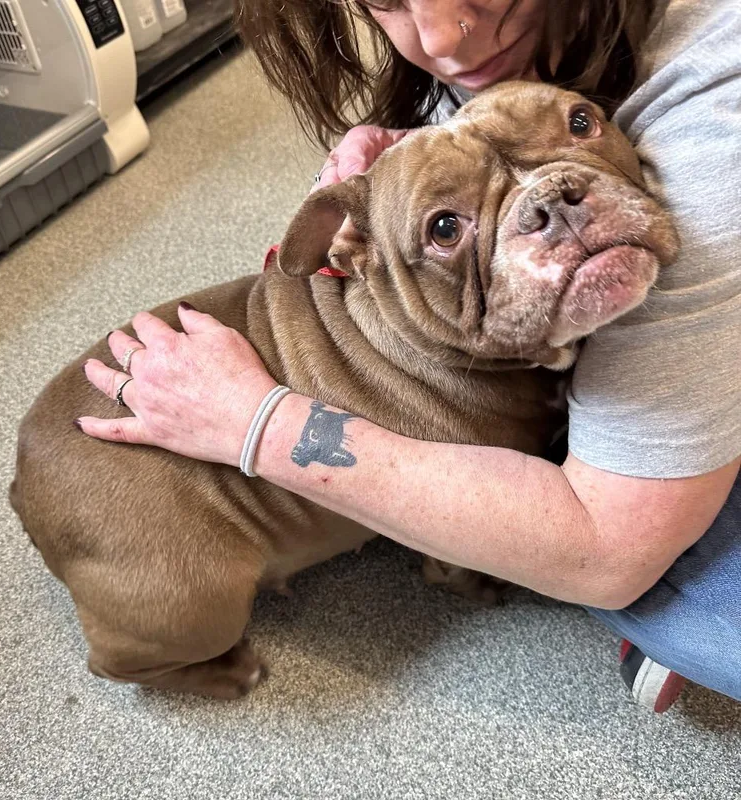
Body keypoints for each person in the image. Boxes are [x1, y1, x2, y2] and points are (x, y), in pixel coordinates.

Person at [76, 0, 741, 711]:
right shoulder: (497, 58)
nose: (443, 39)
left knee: (672, 595)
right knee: (185, 608)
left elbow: (604, 552)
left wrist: (259, 425)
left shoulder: (712, 131)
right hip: (143, 527)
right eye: (388, 2)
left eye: (579, 126)